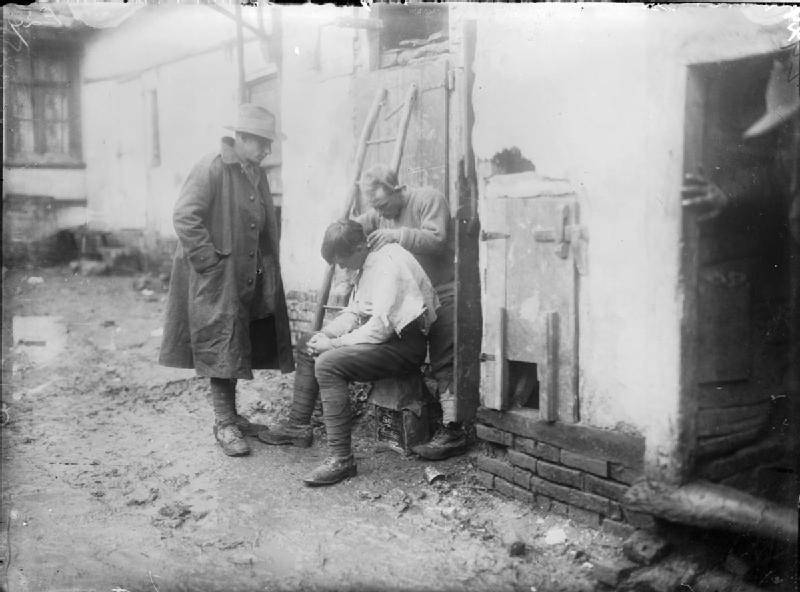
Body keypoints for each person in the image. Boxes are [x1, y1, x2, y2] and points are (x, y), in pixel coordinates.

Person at [159, 103, 295, 457]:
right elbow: (185, 216)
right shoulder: (213, 167)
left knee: (236, 340)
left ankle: (233, 416)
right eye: (263, 143)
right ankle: (224, 423)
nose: (267, 151)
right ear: (243, 138)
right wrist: (209, 264)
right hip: (218, 276)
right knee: (221, 341)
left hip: (247, 275)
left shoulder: (255, 172)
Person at [273, 220, 439, 486]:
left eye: (343, 260)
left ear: (360, 247)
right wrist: (325, 336)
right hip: (384, 340)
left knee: (328, 364)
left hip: (405, 346)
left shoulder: (388, 263)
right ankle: (298, 426)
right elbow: (355, 312)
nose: (342, 268)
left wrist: (335, 346)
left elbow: (381, 328)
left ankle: (342, 459)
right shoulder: (367, 263)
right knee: (308, 342)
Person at [355, 164, 466, 460]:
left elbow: (438, 240)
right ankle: (427, 420)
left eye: (382, 204)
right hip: (412, 301)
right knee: (408, 357)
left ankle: (454, 430)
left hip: (443, 292)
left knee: (445, 362)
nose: (381, 213)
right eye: (375, 207)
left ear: (397, 189)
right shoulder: (381, 212)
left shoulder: (428, 199)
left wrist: (396, 235)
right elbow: (359, 224)